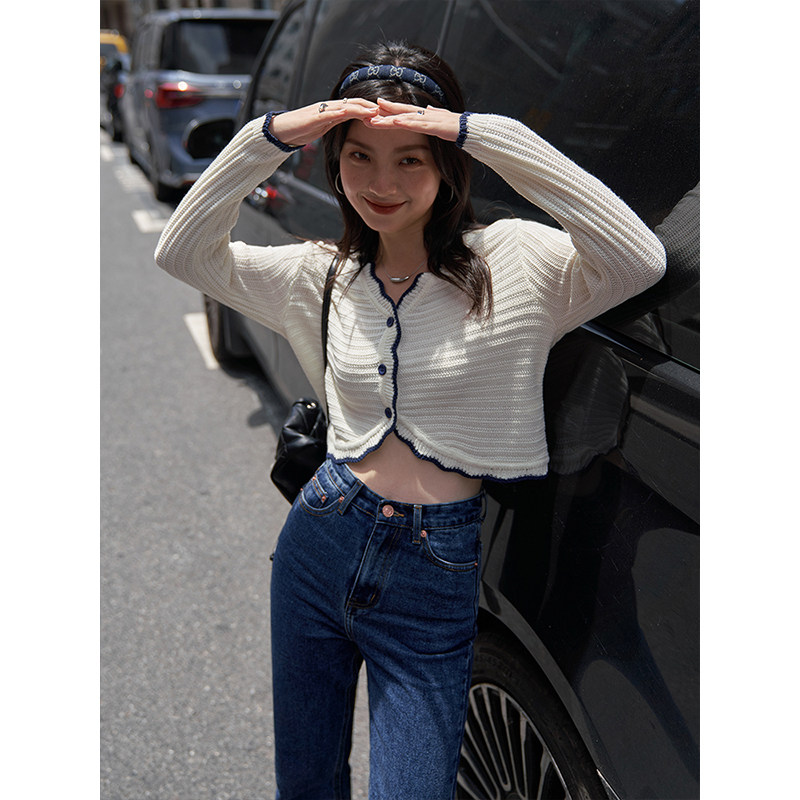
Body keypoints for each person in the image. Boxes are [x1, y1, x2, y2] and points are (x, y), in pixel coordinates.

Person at [155, 41, 665, 800]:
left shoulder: (515, 262)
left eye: (410, 159)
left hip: (436, 571)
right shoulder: (317, 273)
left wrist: (480, 131)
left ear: (447, 165)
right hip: (321, 537)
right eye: (358, 157)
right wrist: (269, 137)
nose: (381, 184)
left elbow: (637, 258)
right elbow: (183, 253)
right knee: (306, 784)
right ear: (334, 164)